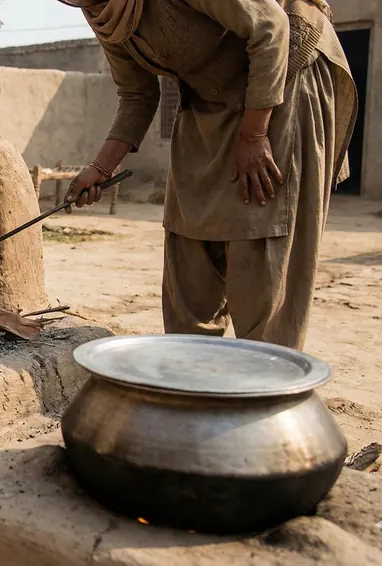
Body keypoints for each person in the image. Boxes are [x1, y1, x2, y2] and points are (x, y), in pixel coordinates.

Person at [59, 0, 357, 350]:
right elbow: (137, 93)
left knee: (258, 232)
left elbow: (271, 27)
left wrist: (254, 135)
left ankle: (265, 382)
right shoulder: (102, 11)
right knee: (188, 239)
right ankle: (195, 380)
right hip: (209, 93)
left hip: (286, 69)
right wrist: (100, 168)